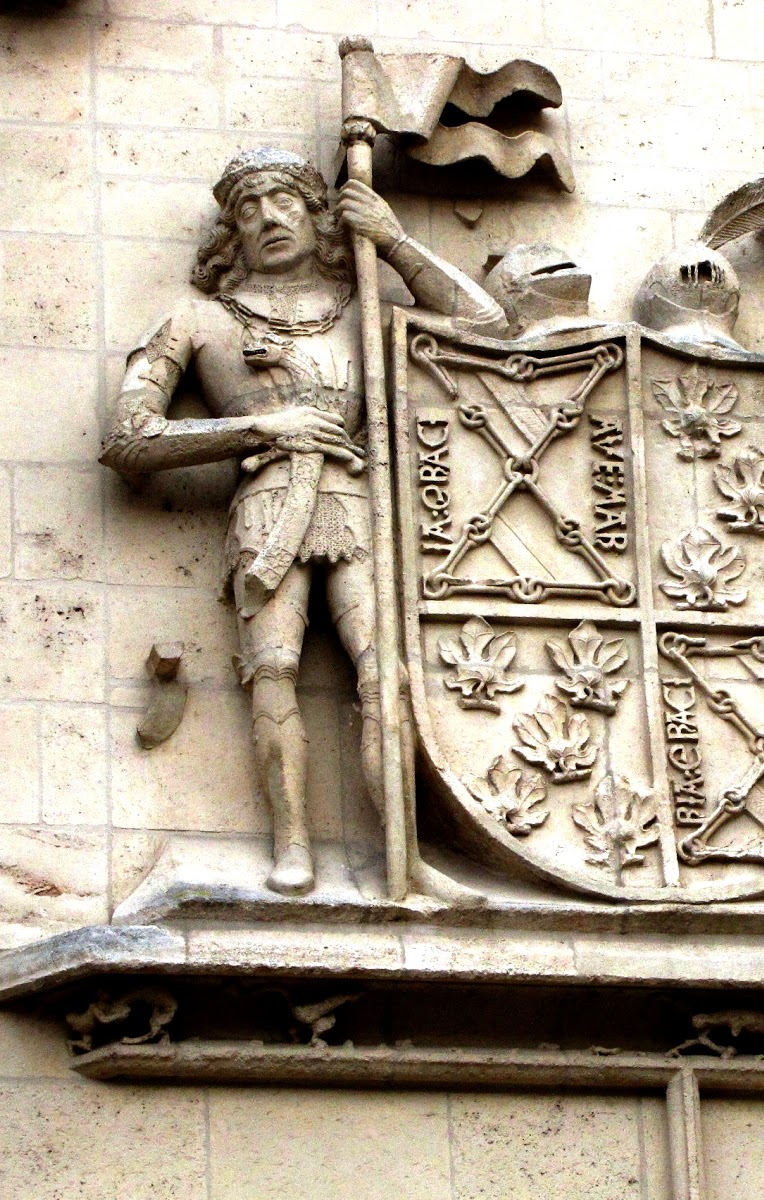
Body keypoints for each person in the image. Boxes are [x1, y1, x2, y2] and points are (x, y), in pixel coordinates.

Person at [101, 147, 501, 897]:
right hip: (265, 505)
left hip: (356, 500)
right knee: (273, 670)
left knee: (384, 672)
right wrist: (259, 427)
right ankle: (291, 846)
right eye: (248, 208)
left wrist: (392, 240)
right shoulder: (198, 319)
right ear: (230, 233)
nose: (268, 218)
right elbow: (127, 438)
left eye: (284, 200)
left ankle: (404, 858)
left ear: (319, 216)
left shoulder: (364, 309)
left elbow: (487, 327)